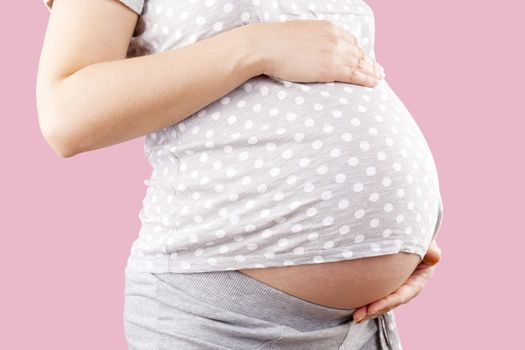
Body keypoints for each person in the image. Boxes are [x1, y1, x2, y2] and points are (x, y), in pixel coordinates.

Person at [37, 0, 444, 349]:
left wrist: (399, 238)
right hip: (220, 314)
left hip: (358, 323)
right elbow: (67, 115)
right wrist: (256, 45)